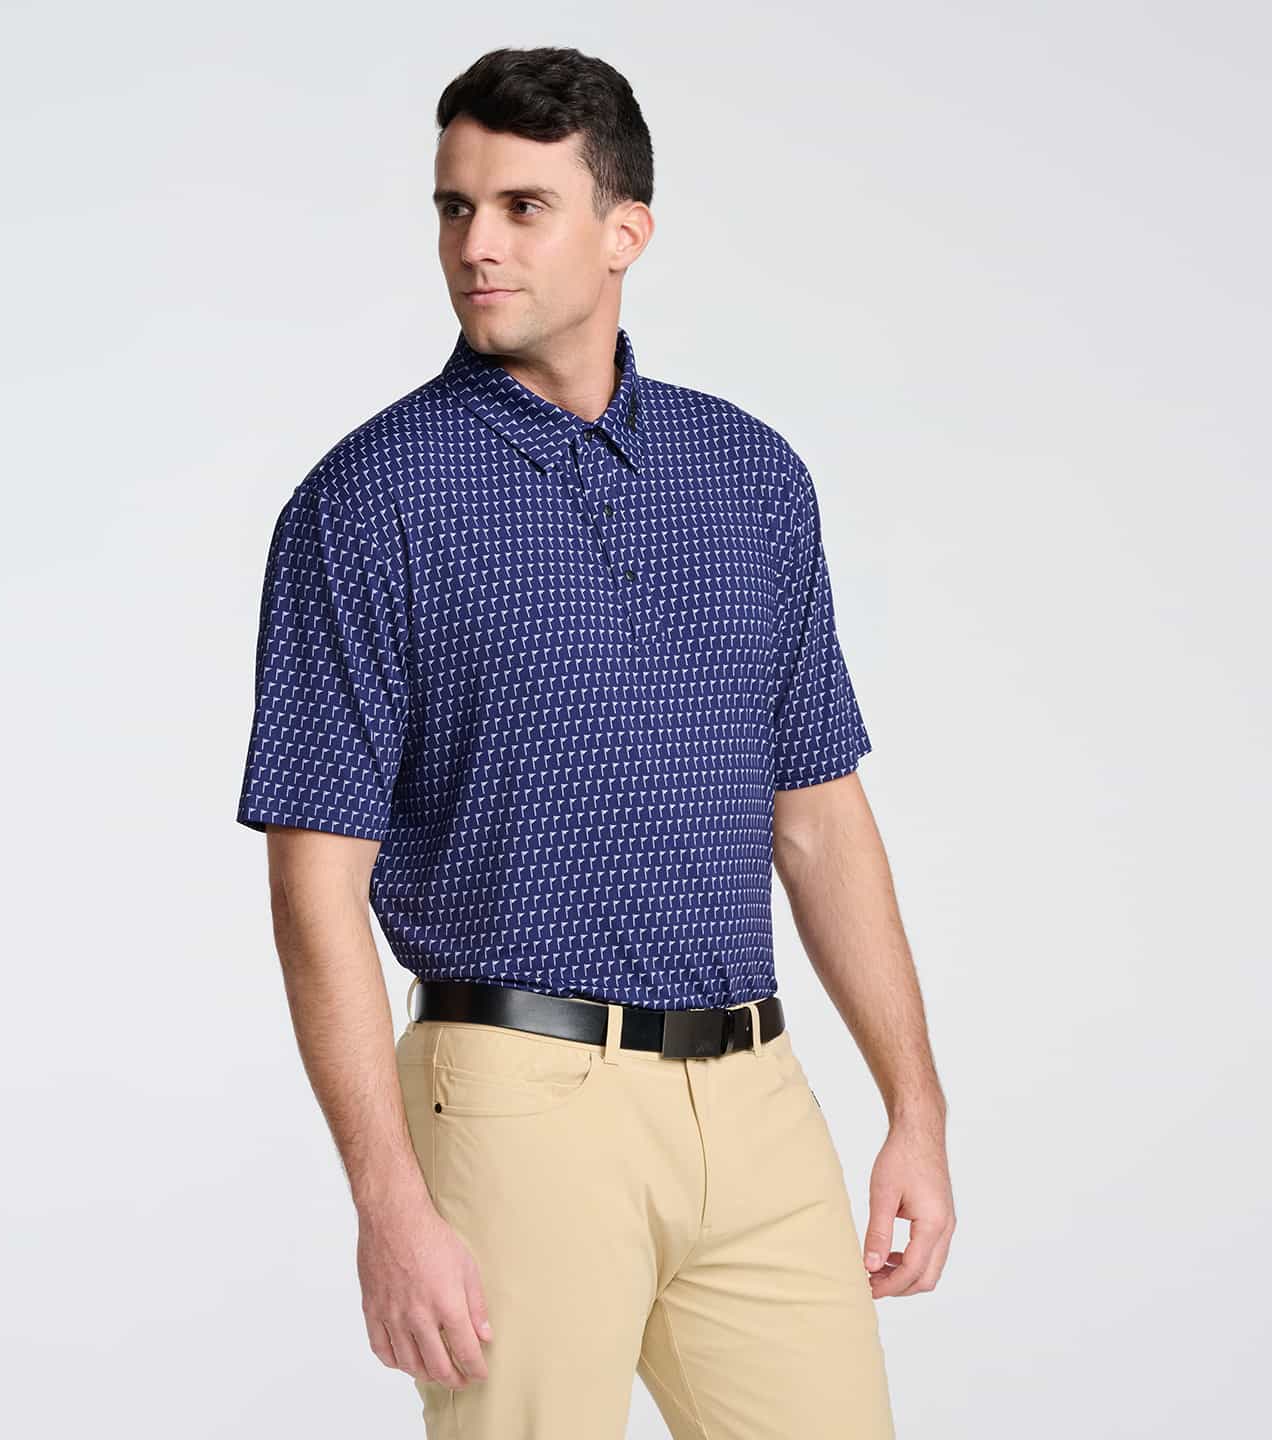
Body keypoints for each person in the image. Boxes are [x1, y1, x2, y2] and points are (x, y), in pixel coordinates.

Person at [234, 44, 953, 1440]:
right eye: (455, 207)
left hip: (757, 1098)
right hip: (517, 1103)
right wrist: (388, 1202)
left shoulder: (749, 475)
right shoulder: (371, 499)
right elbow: (314, 882)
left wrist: (913, 1110)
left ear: (626, 231)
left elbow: (819, 818)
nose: (476, 245)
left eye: (523, 207)